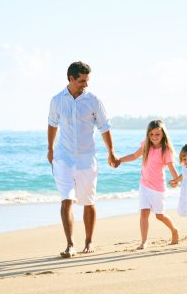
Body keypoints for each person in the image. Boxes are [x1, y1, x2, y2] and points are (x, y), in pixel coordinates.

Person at [47, 61, 120, 258]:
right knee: (66, 200)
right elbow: (52, 124)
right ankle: (70, 244)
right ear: (71, 79)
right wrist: (50, 148)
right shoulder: (57, 100)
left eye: (87, 80)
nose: (85, 84)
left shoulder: (94, 100)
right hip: (63, 158)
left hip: (87, 159)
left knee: (88, 201)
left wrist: (111, 152)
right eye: (81, 81)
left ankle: (89, 241)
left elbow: (104, 127)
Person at [117, 120, 179, 250]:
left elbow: (171, 167)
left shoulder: (165, 150)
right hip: (144, 185)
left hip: (158, 188)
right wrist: (119, 160)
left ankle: (174, 230)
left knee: (159, 216)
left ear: (163, 134)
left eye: (157, 134)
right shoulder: (146, 145)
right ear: (148, 135)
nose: (154, 137)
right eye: (151, 134)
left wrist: (176, 180)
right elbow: (134, 156)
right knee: (144, 213)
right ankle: (144, 241)